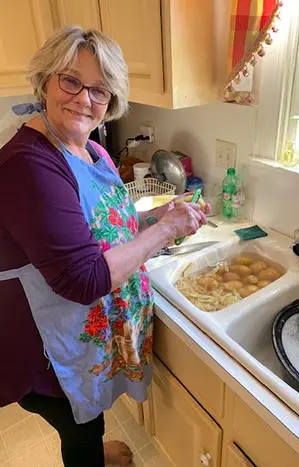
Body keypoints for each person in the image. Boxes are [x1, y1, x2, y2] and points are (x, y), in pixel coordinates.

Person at [0, 26, 209, 467]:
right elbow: (84, 278)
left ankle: (90, 450)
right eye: (70, 80)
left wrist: (158, 217)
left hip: (80, 331)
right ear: (43, 81)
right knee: (79, 425)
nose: (84, 99)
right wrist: (165, 230)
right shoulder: (28, 165)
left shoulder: (92, 149)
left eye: (100, 90)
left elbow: (112, 225)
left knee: (86, 419)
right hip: (46, 344)